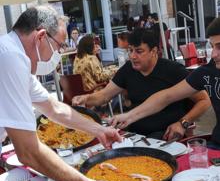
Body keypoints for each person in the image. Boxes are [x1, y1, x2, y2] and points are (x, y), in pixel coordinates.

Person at [0, 5, 122, 181]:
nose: (59, 53)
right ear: (40, 37)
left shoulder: (12, 53)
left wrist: (98, 130)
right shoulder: (10, 58)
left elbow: (54, 108)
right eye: (59, 46)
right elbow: (28, 152)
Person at [72, 28, 210, 141]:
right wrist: (86, 98)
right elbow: (104, 96)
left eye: (139, 51)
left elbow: (204, 100)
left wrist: (183, 123)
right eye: (130, 50)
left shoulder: (174, 70)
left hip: (167, 137)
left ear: (154, 51)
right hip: (135, 135)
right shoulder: (128, 69)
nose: (132, 56)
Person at [109, 18, 220, 148]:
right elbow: (165, 97)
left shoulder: (173, 69)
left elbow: (202, 100)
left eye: (219, 47)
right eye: (212, 47)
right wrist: (128, 116)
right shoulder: (208, 71)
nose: (213, 54)